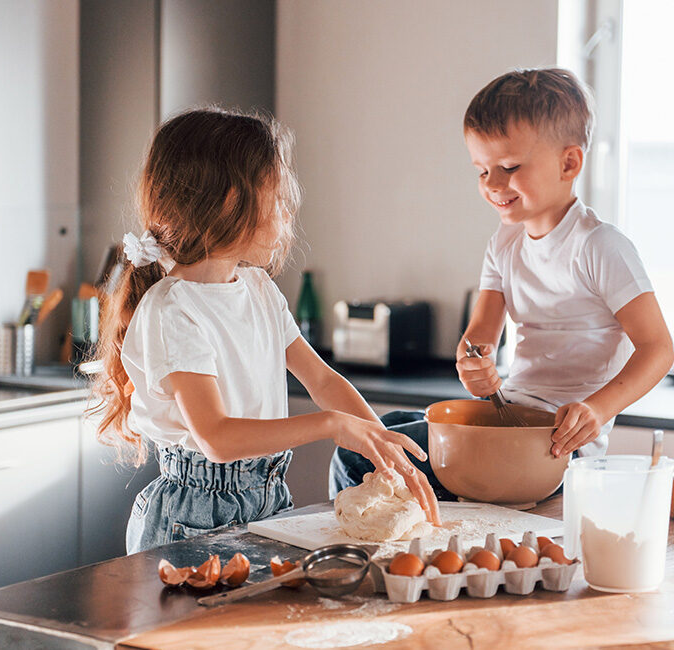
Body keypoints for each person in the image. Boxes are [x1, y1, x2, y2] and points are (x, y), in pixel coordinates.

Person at [90, 108, 439, 554]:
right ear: (232, 201)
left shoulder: (258, 289)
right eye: (277, 197)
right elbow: (216, 438)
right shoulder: (173, 310)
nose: (287, 213)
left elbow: (322, 379)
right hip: (193, 519)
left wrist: (382, 448)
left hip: (269, 501)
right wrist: (332, 425)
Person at [330, 68, 673, 498]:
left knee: (358, 452)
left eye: (509, 167)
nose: (492, 185)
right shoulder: (505, 241)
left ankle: (365, 545)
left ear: (569, 163)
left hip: (555, 443)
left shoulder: (600, 246)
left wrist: (597, 410)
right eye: (481, 170)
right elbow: (479, 337)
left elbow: (658, 348)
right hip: (509, 415)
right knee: (390, 425)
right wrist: (473, 362)